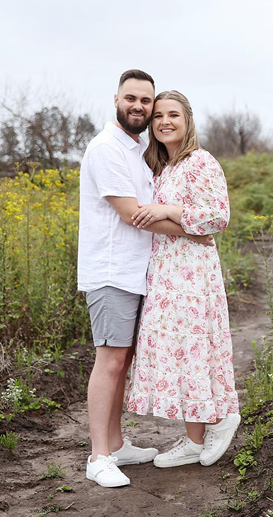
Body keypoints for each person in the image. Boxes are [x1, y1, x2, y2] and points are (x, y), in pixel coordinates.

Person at [78, 71, 212, 488]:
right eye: (130, 98)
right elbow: (132, 214)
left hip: (141, 273)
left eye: (145, 101)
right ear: (116, 99)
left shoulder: (139, 149)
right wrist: (194, 231)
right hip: (112, 272)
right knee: (110, 360)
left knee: (124, 360)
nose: (138, 106)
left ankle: (116, 445)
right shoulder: (106, 149)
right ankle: (98, 456)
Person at [125, 90, 241, 467]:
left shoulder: (200, 161)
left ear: (188, 120)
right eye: (158, 116)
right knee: (180, 353)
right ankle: (194, 438)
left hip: (192, 274)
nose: (164, 122)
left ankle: (221, 420)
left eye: (173, 115)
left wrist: (169, 210)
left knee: (195, 347)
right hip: (165, 271)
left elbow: (218, 217)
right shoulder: (164, 168)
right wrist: (176, 220)